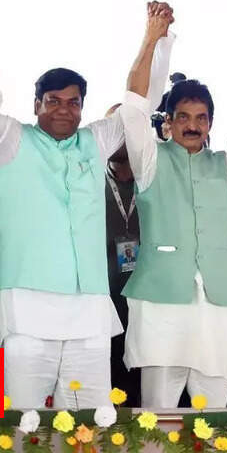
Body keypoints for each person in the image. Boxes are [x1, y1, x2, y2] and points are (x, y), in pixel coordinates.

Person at [0, 1, 171, 409]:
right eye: (53, 101)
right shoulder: (9, 138)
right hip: (27, 311)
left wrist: (153, 39)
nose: (64, 110)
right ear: (36, 105)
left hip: (90, 313)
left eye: (73, 102)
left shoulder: (96, 141)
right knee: (21, 422)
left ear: (82, 106)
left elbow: (137, 105)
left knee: (92, 423)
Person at [119, 11, 227, 408]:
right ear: (169, 122)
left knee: (213, 422)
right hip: (162, 306)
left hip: (216, 307)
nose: (192, 126)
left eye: (201, 118)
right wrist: (151, 38)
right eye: (183, 117)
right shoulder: (150, 159)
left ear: (210, 123)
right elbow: (133, 106)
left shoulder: (223, 165)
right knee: (157, 418)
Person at [104, 104, 142, 407]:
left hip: (145, 305)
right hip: (102, 303)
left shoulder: (153, 181)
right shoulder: (88, 179)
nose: (118, 136)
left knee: (143, 395)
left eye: (125, 129)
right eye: (112, 128)